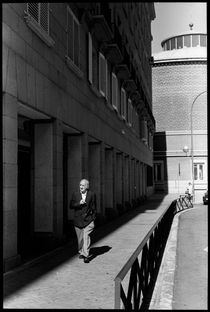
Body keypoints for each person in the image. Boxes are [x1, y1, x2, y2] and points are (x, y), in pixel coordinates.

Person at [70, 179, 96, 263]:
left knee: (86, 236)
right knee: (80, 239)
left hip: (88, 220)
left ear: (87, 186)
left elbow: (94, 207)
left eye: (83, 185)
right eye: (80, 185)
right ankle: (81, 251)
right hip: (78, 220)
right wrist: (79, 203)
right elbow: (71, 205)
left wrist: (93, 217)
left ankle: (86, 255)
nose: (81, 187)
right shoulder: (75, 194)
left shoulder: (92, 194)